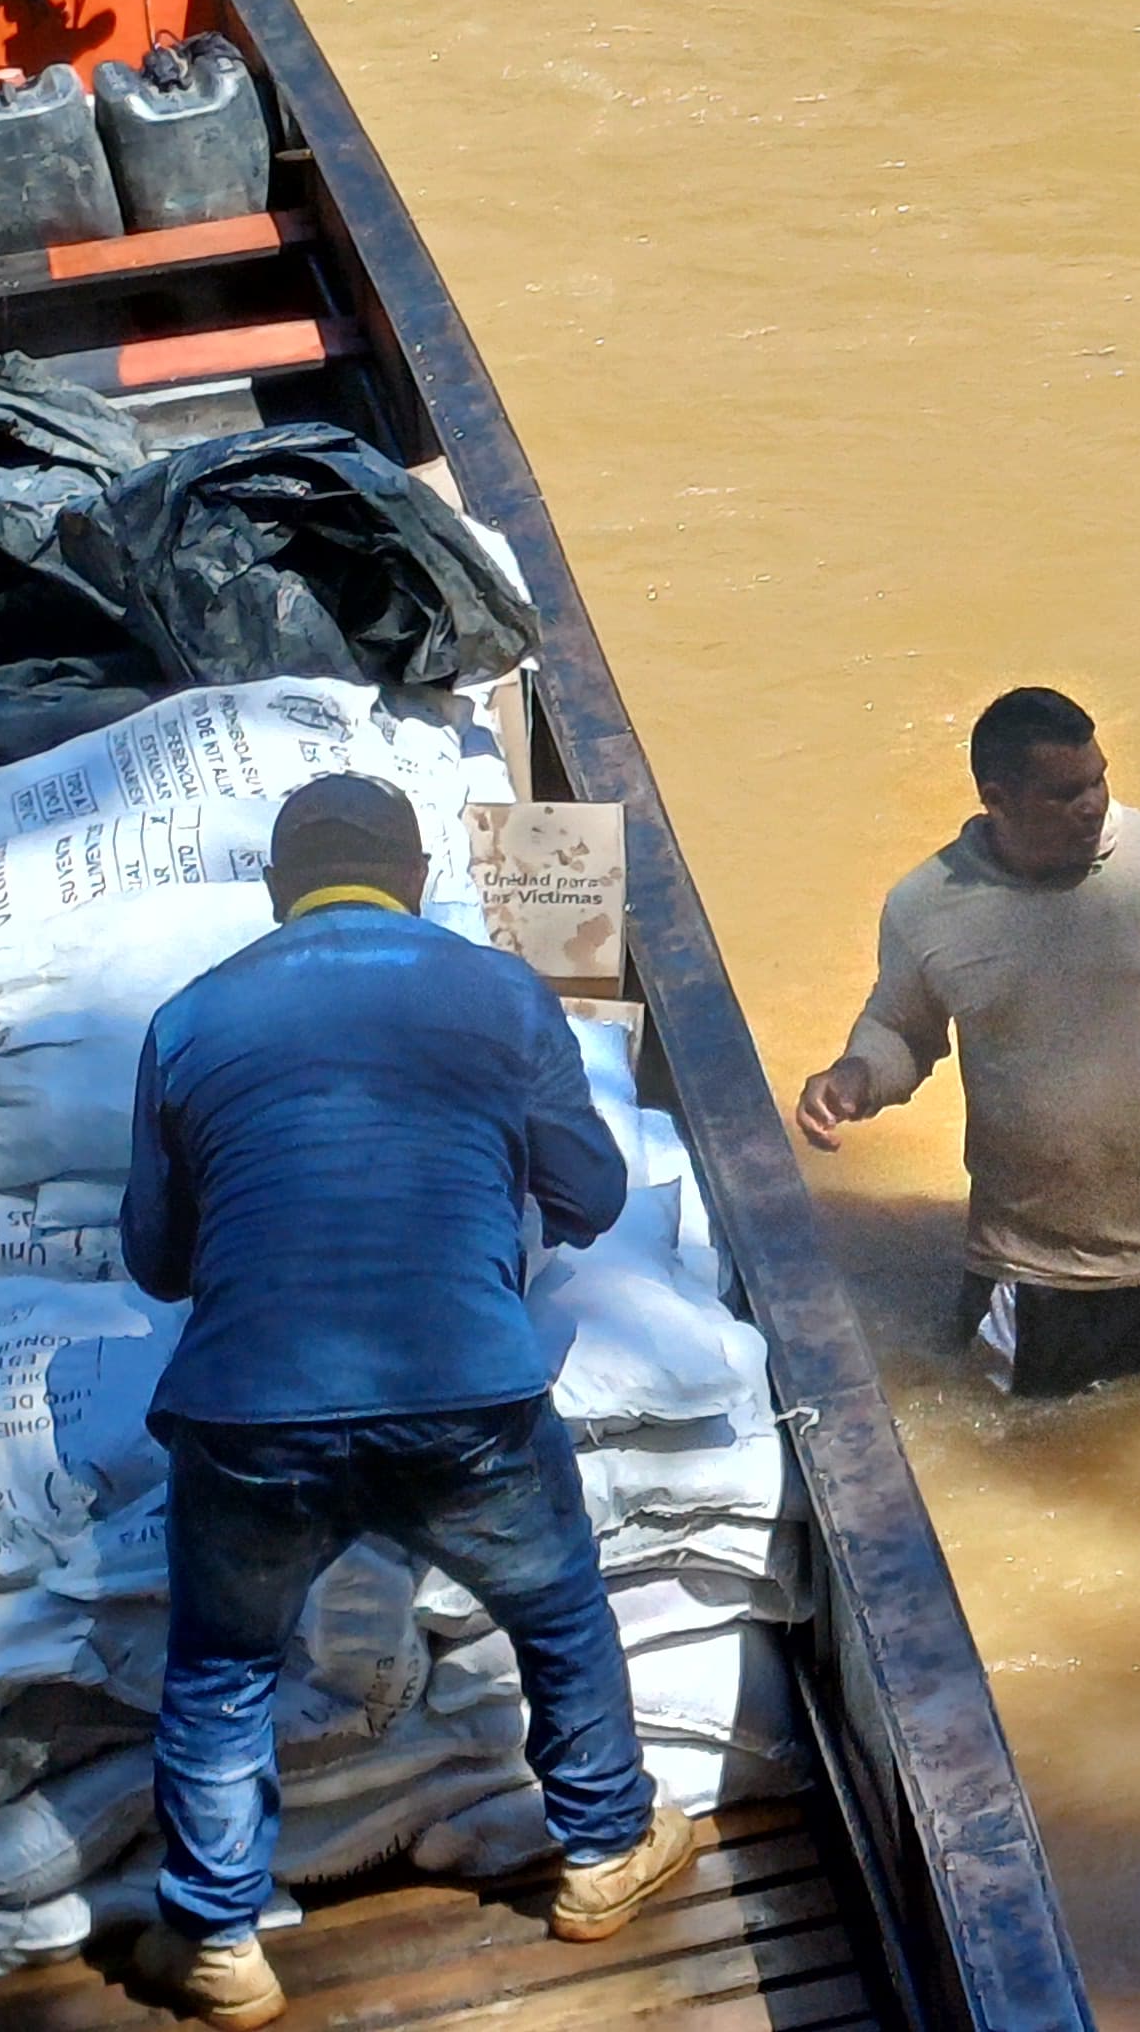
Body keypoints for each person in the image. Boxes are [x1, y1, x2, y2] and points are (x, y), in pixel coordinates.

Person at [124, 776, 691, 2030]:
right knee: (556, 1611)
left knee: (221, 1665)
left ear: (279, 892)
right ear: (421, 879)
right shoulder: (497, 989)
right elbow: (592, 1192)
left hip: (247, 1412)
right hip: (466, 1398)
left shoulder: (187, 1019)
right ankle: (603, 1855)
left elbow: (157, 1261)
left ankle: (218, 1940)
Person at [794, 687, 1140, 1400]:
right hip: (1036, 1270)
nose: (1094, 805)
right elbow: (903, 1033)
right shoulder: (926, 905)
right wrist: (853, 1077)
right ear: (997, 800)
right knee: (1024, 1452)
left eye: (1099, 780)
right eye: (1065, 793)